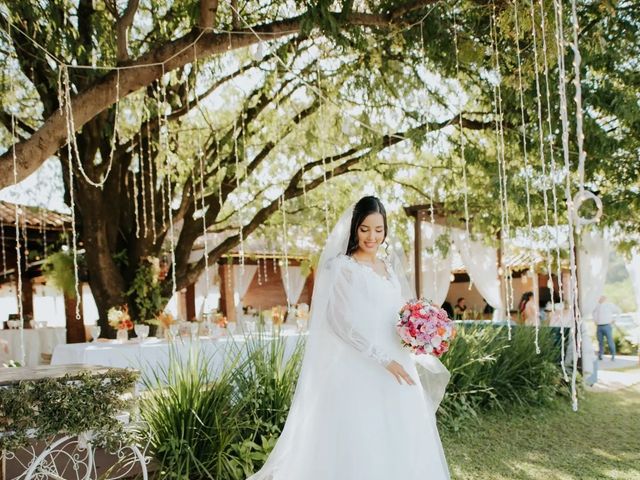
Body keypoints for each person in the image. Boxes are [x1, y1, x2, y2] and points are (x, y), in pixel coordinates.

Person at [248, 196, 450, 479]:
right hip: (361, 363)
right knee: (361, 434)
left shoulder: (389, 267)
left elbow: (395, 309)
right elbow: (338, 321)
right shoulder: (342, 267)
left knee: (401, 431)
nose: (372, 236)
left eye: (379, 229)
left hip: (398, 360)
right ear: (355, 228)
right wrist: (382, 358)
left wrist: (416, 325)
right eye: (365, 228)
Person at [592, 295, 620, 361]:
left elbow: (619, 311)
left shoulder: (609, 305)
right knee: (600, 342)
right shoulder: (597, 306)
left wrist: (615, 319)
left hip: (607, 325)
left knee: (610, 341)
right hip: (599, 326)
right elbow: (593, 313)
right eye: (600, 298)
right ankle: (600, 355)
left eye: (602, 298)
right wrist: (595, 320)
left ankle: (613, 355)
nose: (601, 299)